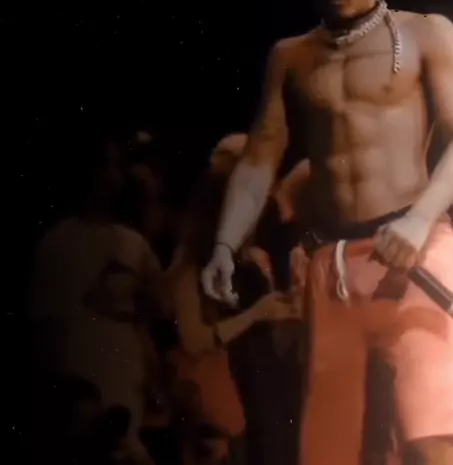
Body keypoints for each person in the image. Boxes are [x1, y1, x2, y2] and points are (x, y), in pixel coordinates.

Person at [201, 0, 453, 464]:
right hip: (334, 263)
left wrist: (420, 218)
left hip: (416, 250)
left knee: (428, 430)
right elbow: (259, 159)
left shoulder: (426, 34)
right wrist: (226, 243)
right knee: (330, 445)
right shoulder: (292, 58)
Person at [30, 136, 166, 464]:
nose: (110, 175)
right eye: (103, 165)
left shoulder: (133, 243)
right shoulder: (57, 242)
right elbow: (45, 331)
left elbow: (157, 309)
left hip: (126, 391)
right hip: (79, 405)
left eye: (115, 166)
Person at [169, 133, 299, 465]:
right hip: (227, 398)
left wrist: (289, 312)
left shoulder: (255, 259)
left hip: (266, 389)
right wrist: (257, 314)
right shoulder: (191, 262)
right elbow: (193, 338)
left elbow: (275, 334)